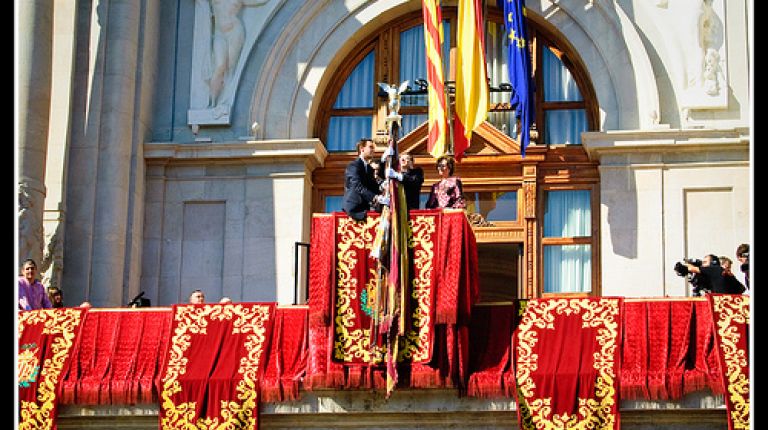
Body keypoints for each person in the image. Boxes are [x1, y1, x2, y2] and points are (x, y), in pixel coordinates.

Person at [343, 138, 388, 221]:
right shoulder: (353, 165)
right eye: (370, 147)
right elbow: (357, 186)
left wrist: (383, 186)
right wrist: (376, 197)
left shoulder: (369, 168)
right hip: (354, 210)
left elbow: (372, 186)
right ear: (362, 149)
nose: (373, 150)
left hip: (364, 209)